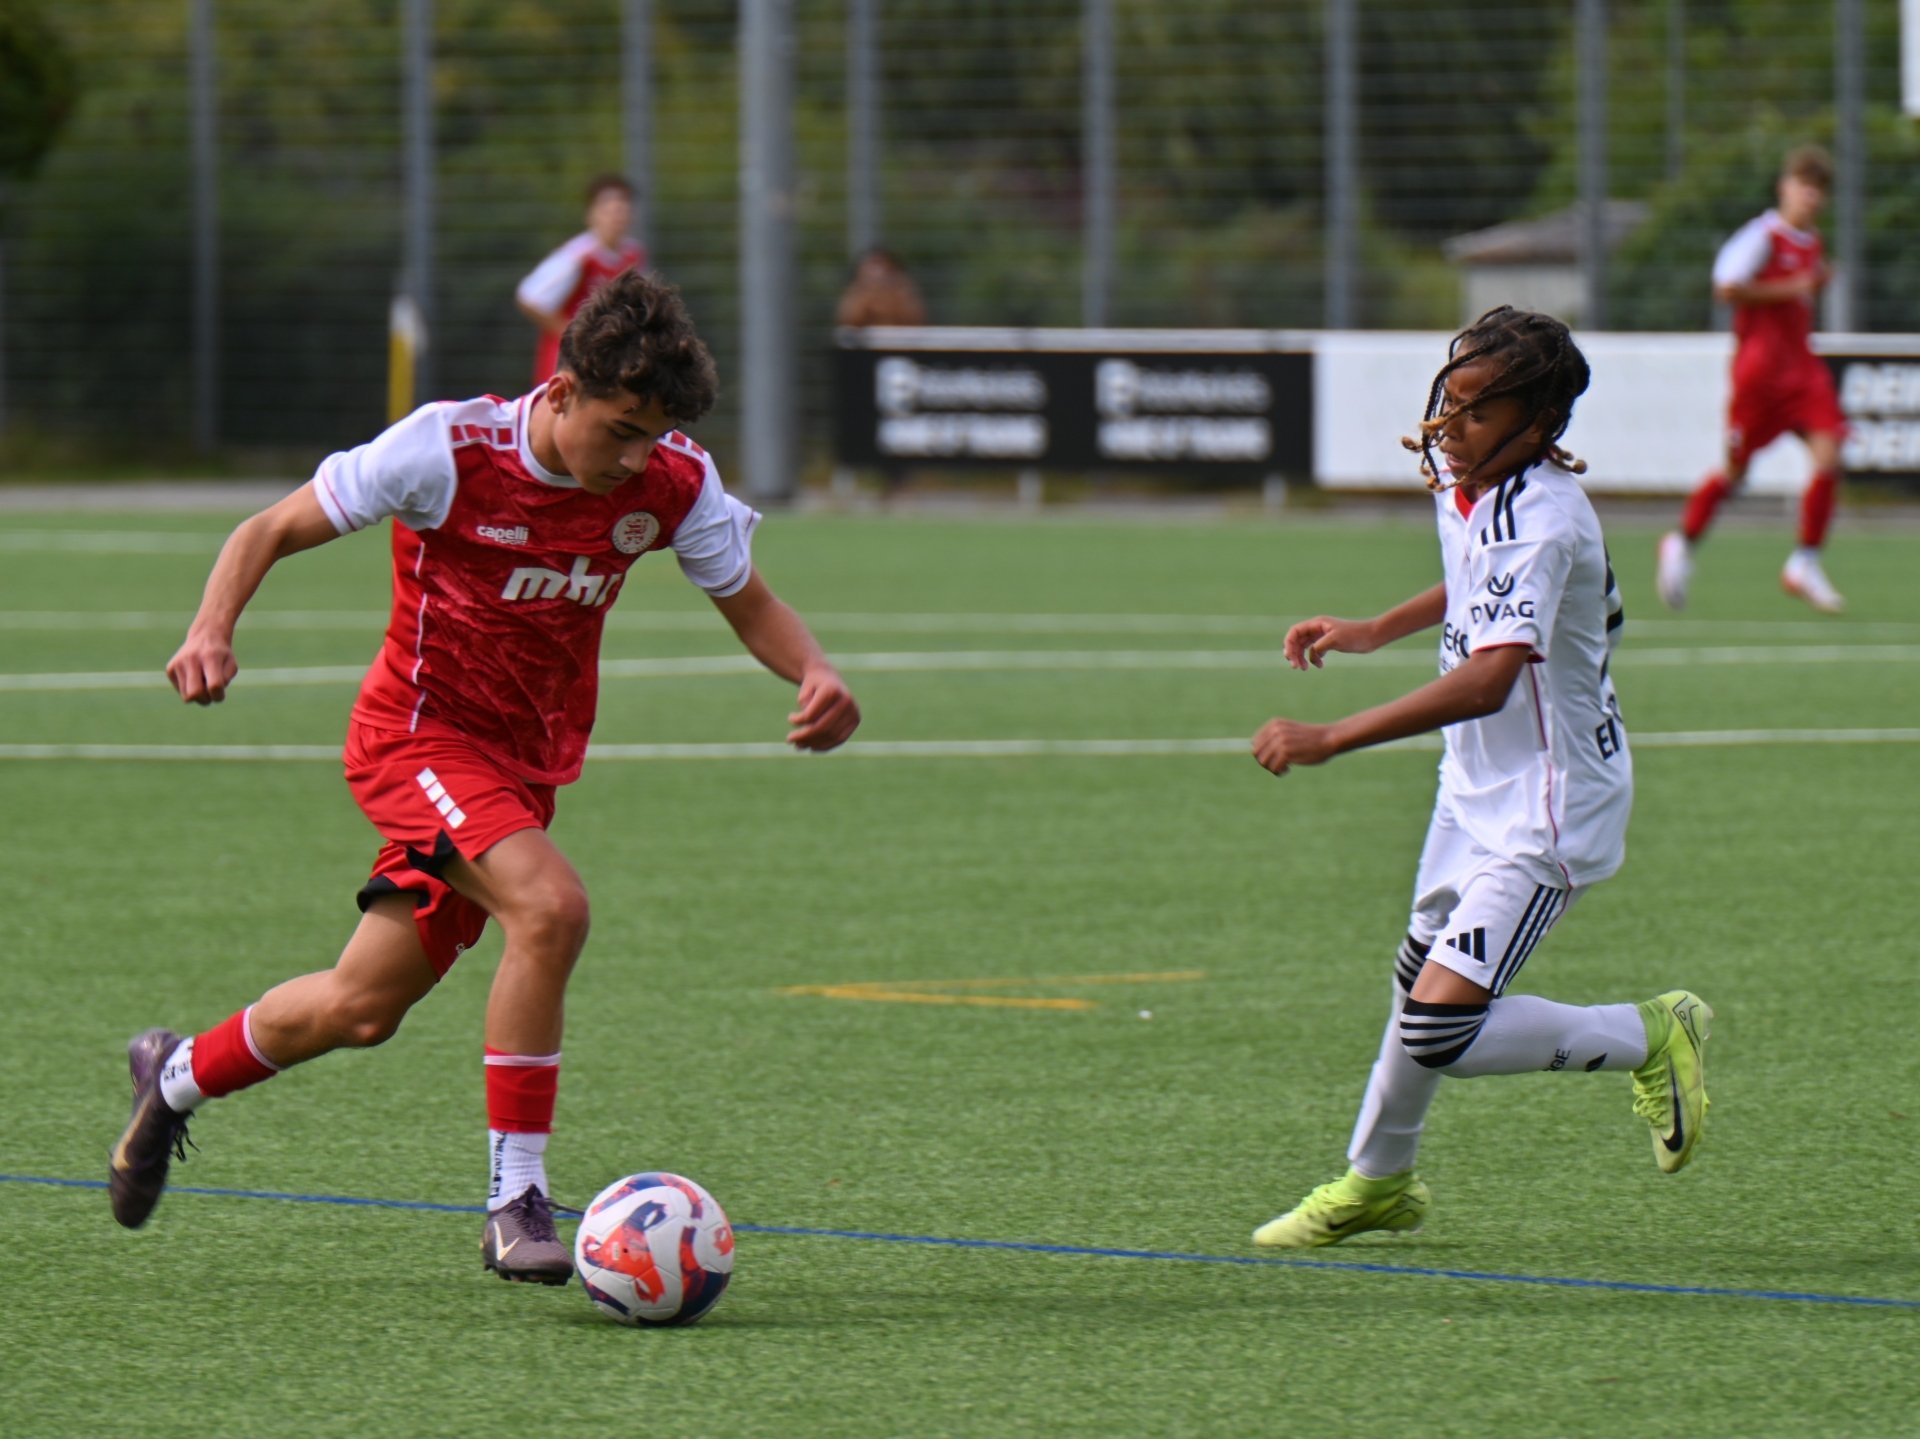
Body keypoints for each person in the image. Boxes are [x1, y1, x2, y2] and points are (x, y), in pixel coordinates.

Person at [109, 271, 861, 1285]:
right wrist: (211, 630)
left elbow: (750, 600)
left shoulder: (673, 480)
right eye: (621, 430)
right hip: (415, 740)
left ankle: (173, 1077)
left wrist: (814, 669)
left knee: (361, 1006)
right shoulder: (448, 448)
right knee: (551, 908)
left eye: (653, 436)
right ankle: (516, 1200)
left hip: (517, 773)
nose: (634, 458)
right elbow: (268, 529)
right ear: (562, 391)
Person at [1247, 307, 1711, 1249]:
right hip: (1474, 785)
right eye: (1449, 403)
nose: (1451, 428)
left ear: (1539, 426)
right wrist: (1375, 628)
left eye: (1478, 412)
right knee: (1416, 979)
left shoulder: (1543, 516)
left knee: (1439, 1029)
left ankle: (1653, 1032)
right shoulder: (1472, 480)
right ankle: (1378, 1181)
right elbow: (1475, 576)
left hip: (1547, 805)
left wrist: (1334, 736)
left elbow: (1490, 676)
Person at [1658, 145, 1848, 614]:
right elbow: (1726, 288)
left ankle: (1804, 562)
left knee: (1829, 453)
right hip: (1759, 377)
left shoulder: (1813, 242)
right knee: (1736, 472)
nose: (1810, 198)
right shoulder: (1761, 236)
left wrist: (1810, 285)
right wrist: (1793, 288)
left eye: (1818, 190)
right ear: (1784, 187)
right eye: (1803, 187)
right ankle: (1681, 543)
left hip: (1802, 371)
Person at [517, 174, 647, 386]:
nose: (616, 215)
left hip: (606, 360)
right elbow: (529, 297)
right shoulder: (579, 256)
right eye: (608, 208)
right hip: (569, 363)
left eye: (622, 207)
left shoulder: (633, 254)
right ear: (592, 214)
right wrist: (575, 335)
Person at [834, 247, 928, 331]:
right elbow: (849, 321)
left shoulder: (903, 289)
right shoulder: (857, 292)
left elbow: (916, 322)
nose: (878, 273)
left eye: (883, 268)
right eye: (873, 266)